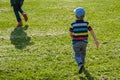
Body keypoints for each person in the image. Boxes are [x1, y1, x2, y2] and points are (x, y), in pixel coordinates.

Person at [69, 7, 99, 74]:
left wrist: (72, 37)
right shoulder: (86, 24)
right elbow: (92, 31)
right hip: (84, 42)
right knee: (83, 53)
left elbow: (70, 33)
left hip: (75, 42)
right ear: (84, 16)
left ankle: (80, 64)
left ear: (75, 16)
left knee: (77, 54)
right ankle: (82, 65)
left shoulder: (73, 25)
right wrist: (95, 40)